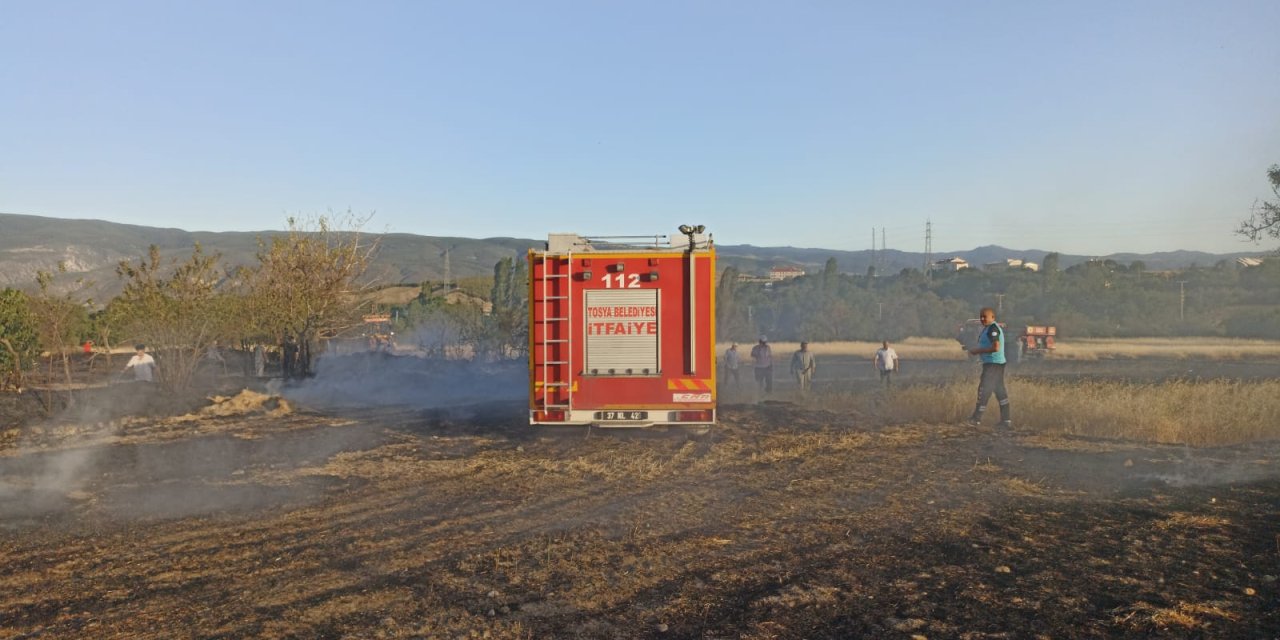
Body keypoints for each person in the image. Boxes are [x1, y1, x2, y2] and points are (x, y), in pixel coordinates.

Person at [966, 307, 1011, 428]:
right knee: (1000, 392)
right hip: (995, 364)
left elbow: (996, 347)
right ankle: (1006, 421)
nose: (982, 319)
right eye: (981, 316)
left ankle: (976, 419)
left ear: (993, 317)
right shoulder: (988, 329)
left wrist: (978, 351)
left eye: (985, 317)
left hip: (993, 364)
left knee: (984, 390)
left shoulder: (993, 329)